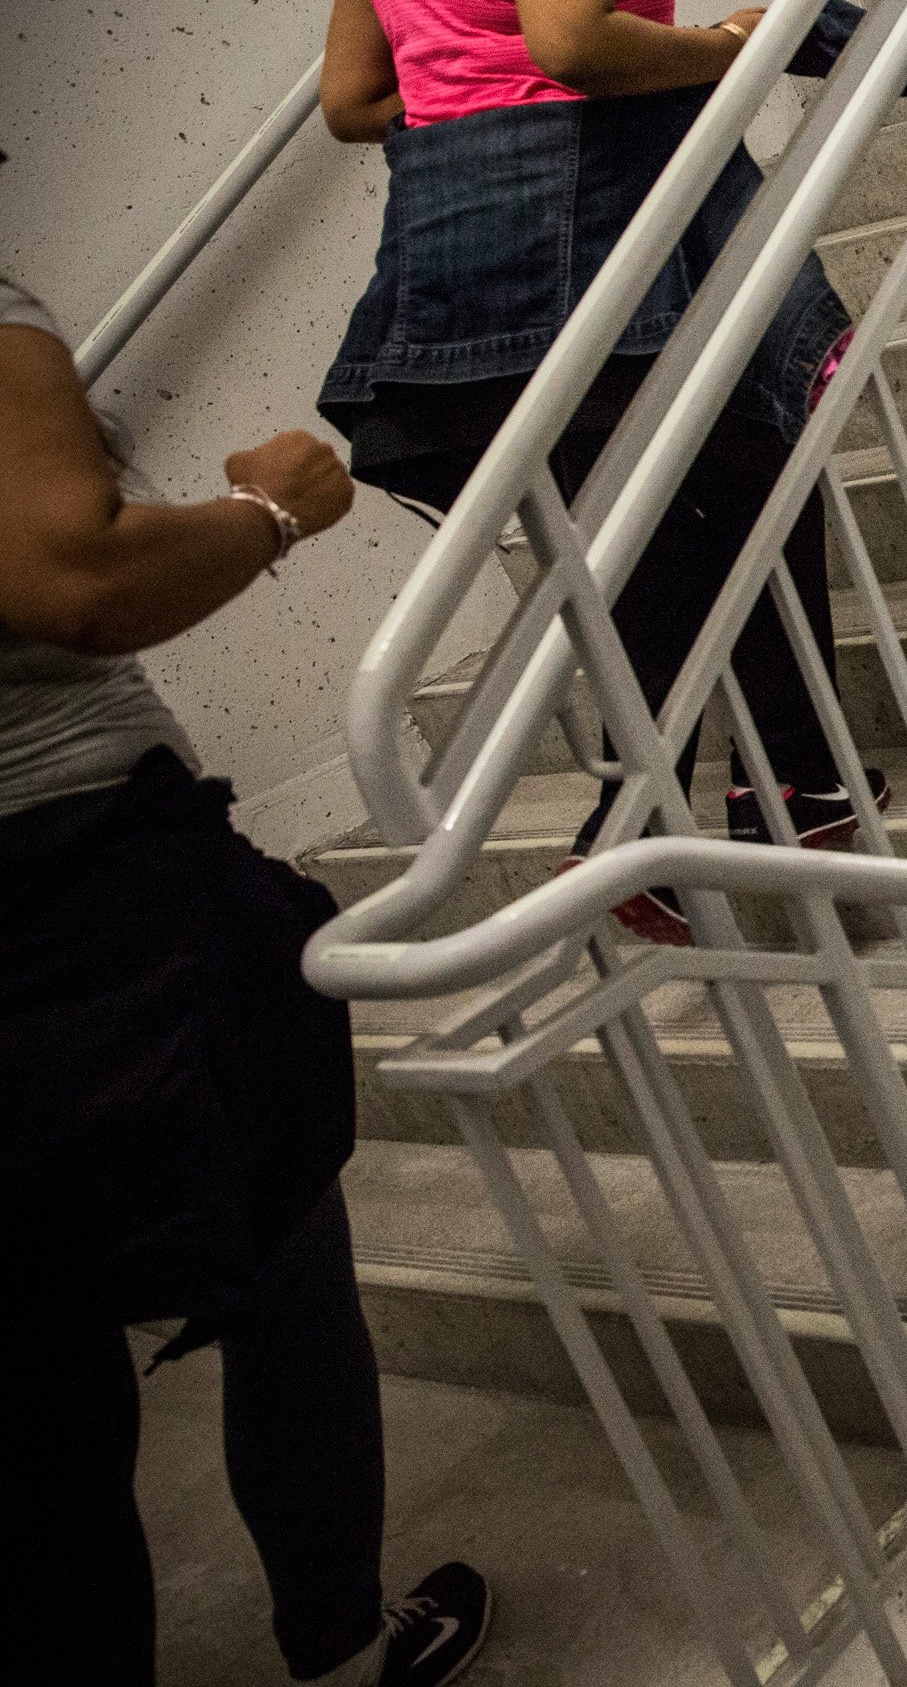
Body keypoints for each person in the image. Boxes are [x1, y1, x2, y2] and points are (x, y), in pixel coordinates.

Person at [317, 0, 884, 944]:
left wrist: (478, 122)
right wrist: (733, 45)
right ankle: (697, 805)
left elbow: (356, 101)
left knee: (685, 513)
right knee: (735, 480)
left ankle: (778, 787)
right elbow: (573, 42)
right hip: (598, 247)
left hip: (450, 275)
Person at [0, 273, 491, 1685]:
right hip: (78, 900)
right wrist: (275, 507)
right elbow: (73, 580)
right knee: (281, 1269)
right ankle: (339, 1648)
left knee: (43, 1418)